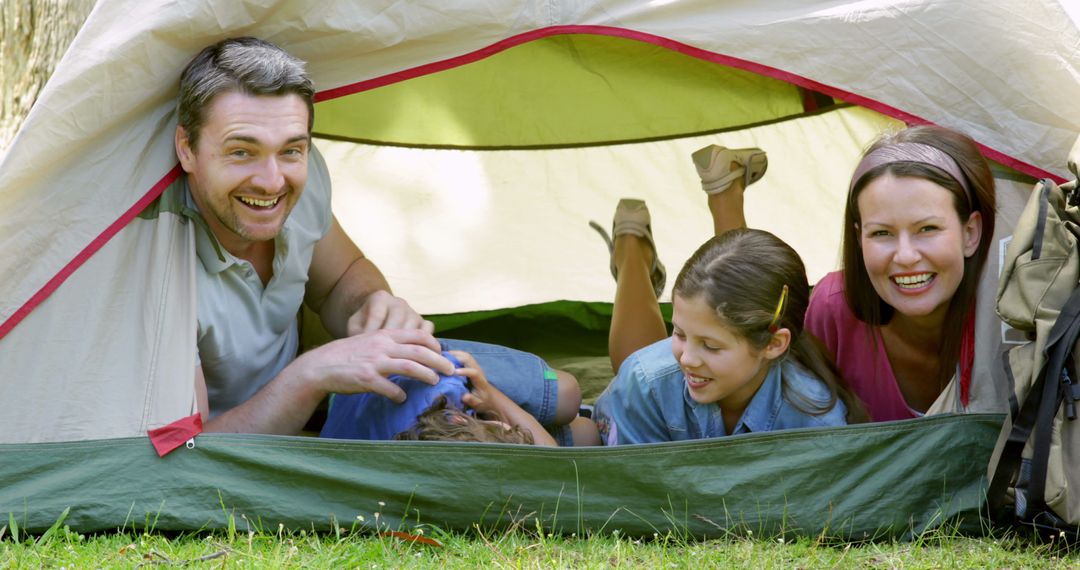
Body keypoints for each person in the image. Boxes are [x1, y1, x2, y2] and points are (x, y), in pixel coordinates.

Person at [169, 37, 583, 437]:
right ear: (187, 148)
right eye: (242, 151)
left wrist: (372, 306)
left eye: (291, 150)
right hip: (265, 427)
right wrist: (310, 375)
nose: (272, 180)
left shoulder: (301, 181)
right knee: (550, 413)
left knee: (565, 396)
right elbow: (190, 452)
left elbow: (341, 277)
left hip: (333, 393)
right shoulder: (155, 267)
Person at [588, 148, 864, 445]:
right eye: (678, 333)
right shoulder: (645, 381)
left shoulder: (815, 416)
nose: (688, 359)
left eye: (710, 346)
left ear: (773, 344)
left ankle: (632, 248)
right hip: (631, 411)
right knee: (643, 371)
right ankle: (632, 248)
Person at [803, 126, 996, 422]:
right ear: (859, 239)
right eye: (882, 233)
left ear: (970, 233)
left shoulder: (1011, 314)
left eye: (927, 229)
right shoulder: (832, 308)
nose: (905, 256)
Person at [320, 342, 601, 446]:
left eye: (501, 426)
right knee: (587, 436)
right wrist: (492, 400)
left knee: (567, 394)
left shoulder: (445, 382)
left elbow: (457, 361)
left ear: (458, 420)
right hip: (343, 419)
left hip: (420, 356)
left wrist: (486, 390)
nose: (504, 423)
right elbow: (551, 461)